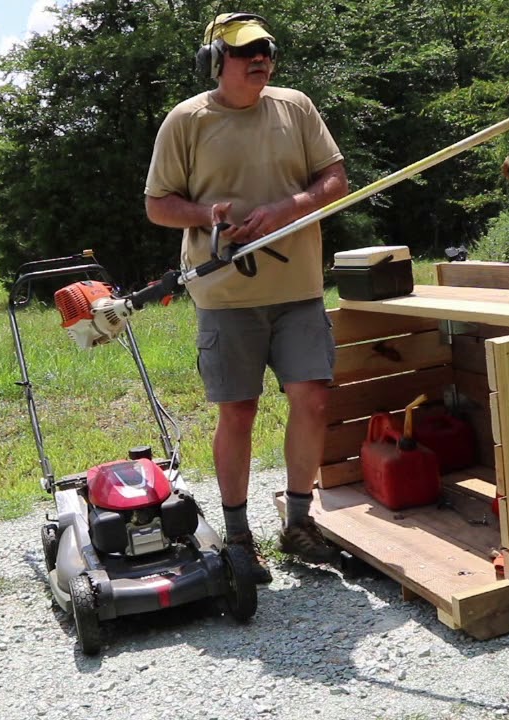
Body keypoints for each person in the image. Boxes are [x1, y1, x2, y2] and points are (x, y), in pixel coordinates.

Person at [144, 12, 350, 582]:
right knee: (238, 411)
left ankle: (299, 524)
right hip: (225, 295)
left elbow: (335, 180)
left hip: (299, 289)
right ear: (215, 62)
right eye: (244, 52)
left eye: (266, 49)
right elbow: (159, 204)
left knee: (312, 399)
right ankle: (238, 537)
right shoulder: (186, 121)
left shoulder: (296, 107)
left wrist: (288, 208)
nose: (260, 59)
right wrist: (207, 216)